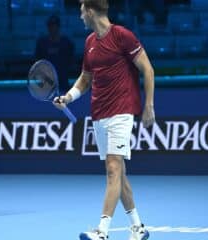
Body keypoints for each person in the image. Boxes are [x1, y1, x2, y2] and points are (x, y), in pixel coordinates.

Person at [53, 1, 155, 240]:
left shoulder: (122, 36)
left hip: (122, 110)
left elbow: (148, 69)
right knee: (119, 174)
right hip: (99, 114)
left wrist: (149, 105)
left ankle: (102, 231)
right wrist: (68, 97)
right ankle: (138, 227)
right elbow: (85, 79)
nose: (80, 17)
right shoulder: (89, 43)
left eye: (81, 12)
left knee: (112, 170)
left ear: (90, 11)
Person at [35, 14, 75, 93]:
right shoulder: (42, 43)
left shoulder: (66, 42)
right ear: (48, 27)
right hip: (47, 82)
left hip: (63, 81)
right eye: (51, 26)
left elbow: (71, 60)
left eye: (55, 25)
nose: (53, 28)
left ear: (58, 27)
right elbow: (38, 62)